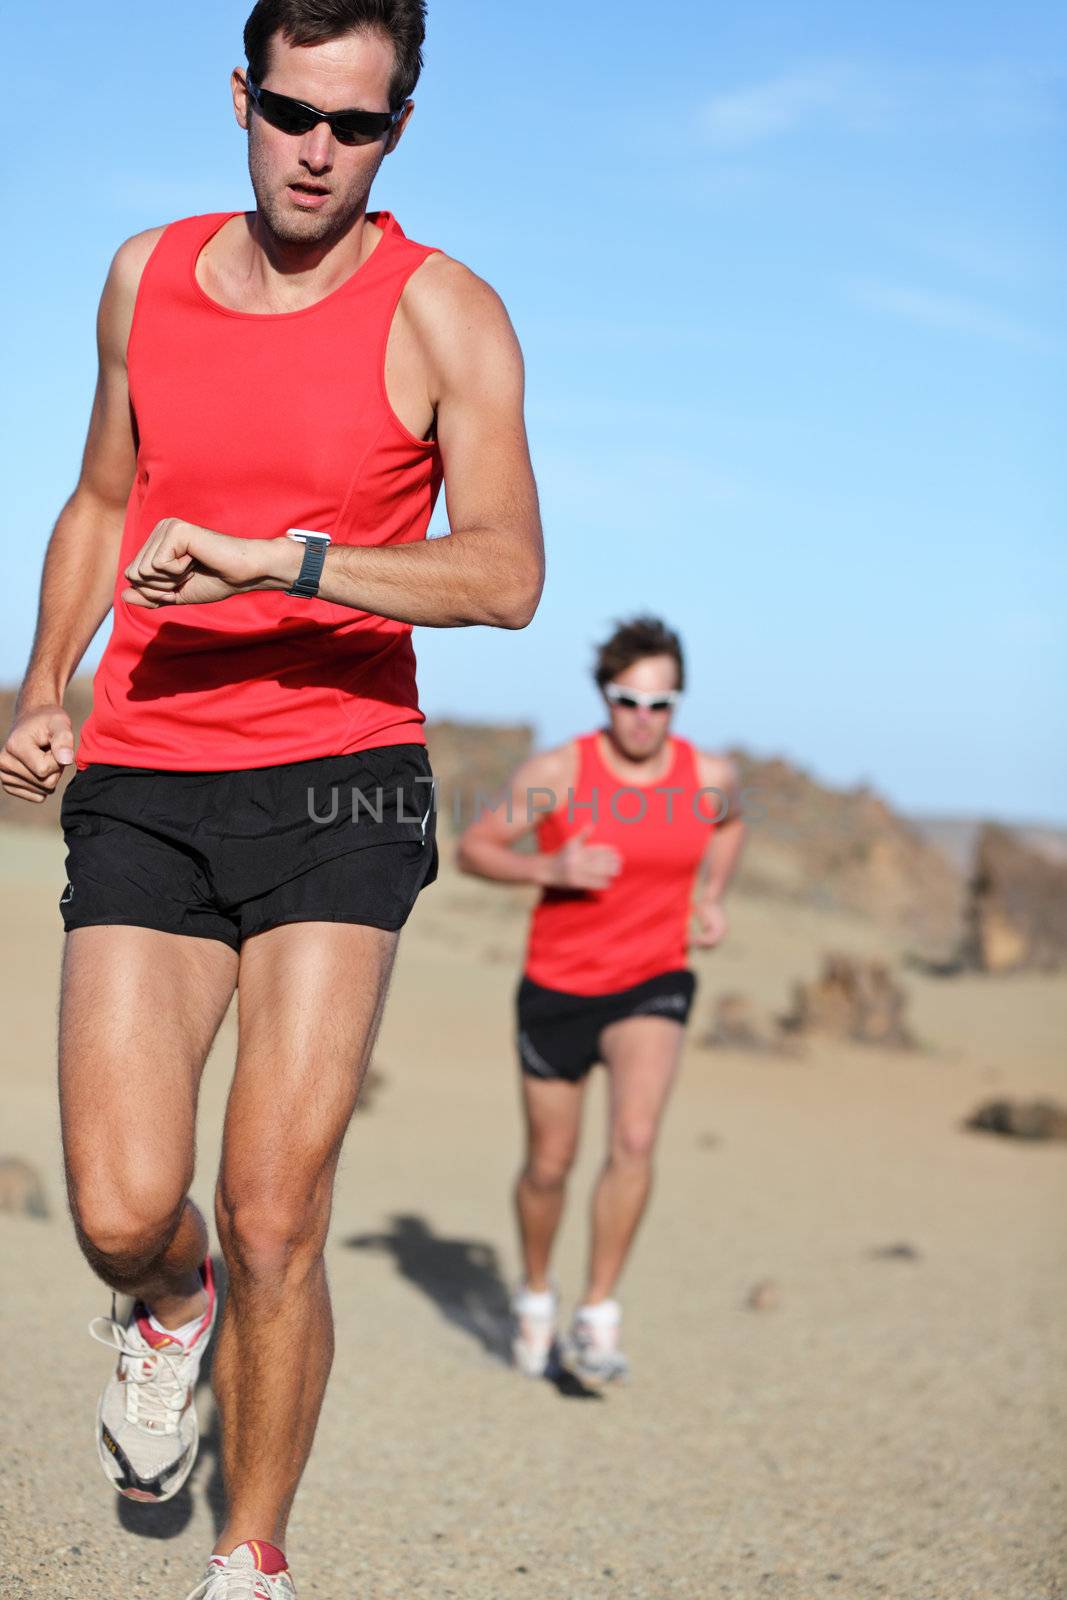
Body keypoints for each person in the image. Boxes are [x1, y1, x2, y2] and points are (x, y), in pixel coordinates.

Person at [0, 2, 543, 1594]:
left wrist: (281, 557)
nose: (317, 151)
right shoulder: (143, 277)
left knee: (277, 1206)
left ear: (398, 130)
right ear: (242, 97)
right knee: (119, 1206)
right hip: (150, 766)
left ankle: (253, 1559)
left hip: (341, 785)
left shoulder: (447, 316)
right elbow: (105, 494)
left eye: (355, 125)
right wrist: (45, 680)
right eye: (293, 113)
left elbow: (506, 575)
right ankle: (170, 1307)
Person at [456, 617, 744, 1385]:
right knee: (549, 1164)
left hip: (654, 979)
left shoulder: (708, 776)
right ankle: (538, 1295)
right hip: (557, 987)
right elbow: (475, 849)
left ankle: (597, 1314)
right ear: (605, 697)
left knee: (636, 1138)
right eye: (628, 702)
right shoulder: (560, 771)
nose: (644, 720)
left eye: (661, 704)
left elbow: (730, 823)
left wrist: (711, 896)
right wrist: (552, 866)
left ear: (676, 704)